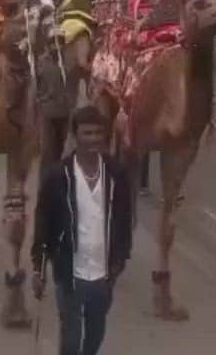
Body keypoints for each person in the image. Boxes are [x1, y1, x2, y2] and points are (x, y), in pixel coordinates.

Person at [32, 106, 133, 355]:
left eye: (98, 133)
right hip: (70, 274)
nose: (93, 139)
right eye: (87, 133)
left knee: (95, 335)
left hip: (103, 275)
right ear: (75, 136)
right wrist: (39, 267)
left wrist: (119, 260)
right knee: (70, 340)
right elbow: (43, 224)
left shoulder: (116, 174)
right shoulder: (57, 176)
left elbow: (124, 220)